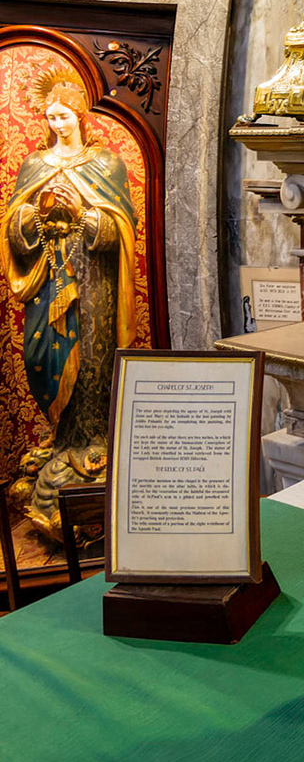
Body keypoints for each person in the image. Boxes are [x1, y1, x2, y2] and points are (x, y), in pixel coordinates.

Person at [2, 71, 139, 542]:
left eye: (63, 115)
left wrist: (83, 215)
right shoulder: (35, 165)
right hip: (48, 279)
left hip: (93, 284)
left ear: (79, 115)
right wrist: (36, 211)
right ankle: (62, 441)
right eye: (49, 116)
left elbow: (122, 227)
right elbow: (13, 226)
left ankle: (92, 441)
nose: (56, 123)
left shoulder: (106, 164)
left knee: (95, 361)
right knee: (42, 358)